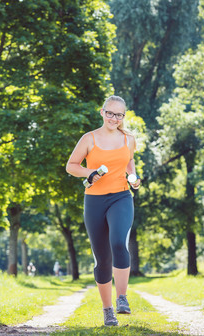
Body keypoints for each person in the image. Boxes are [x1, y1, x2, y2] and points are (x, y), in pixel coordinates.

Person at [66, 95, 141, 327]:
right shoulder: (89, 138)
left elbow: (130, 165)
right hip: (95, 201)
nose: (113, 118)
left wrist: (134, 178)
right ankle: (108, 311)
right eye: (110, 113)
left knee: (119, 242)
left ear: (123, 117)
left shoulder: (129, 139)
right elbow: (71, 166)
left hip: (121, 197)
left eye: (119, 115)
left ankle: (122, 298)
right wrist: (89, 173)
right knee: (102, 258)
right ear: (102, 112)